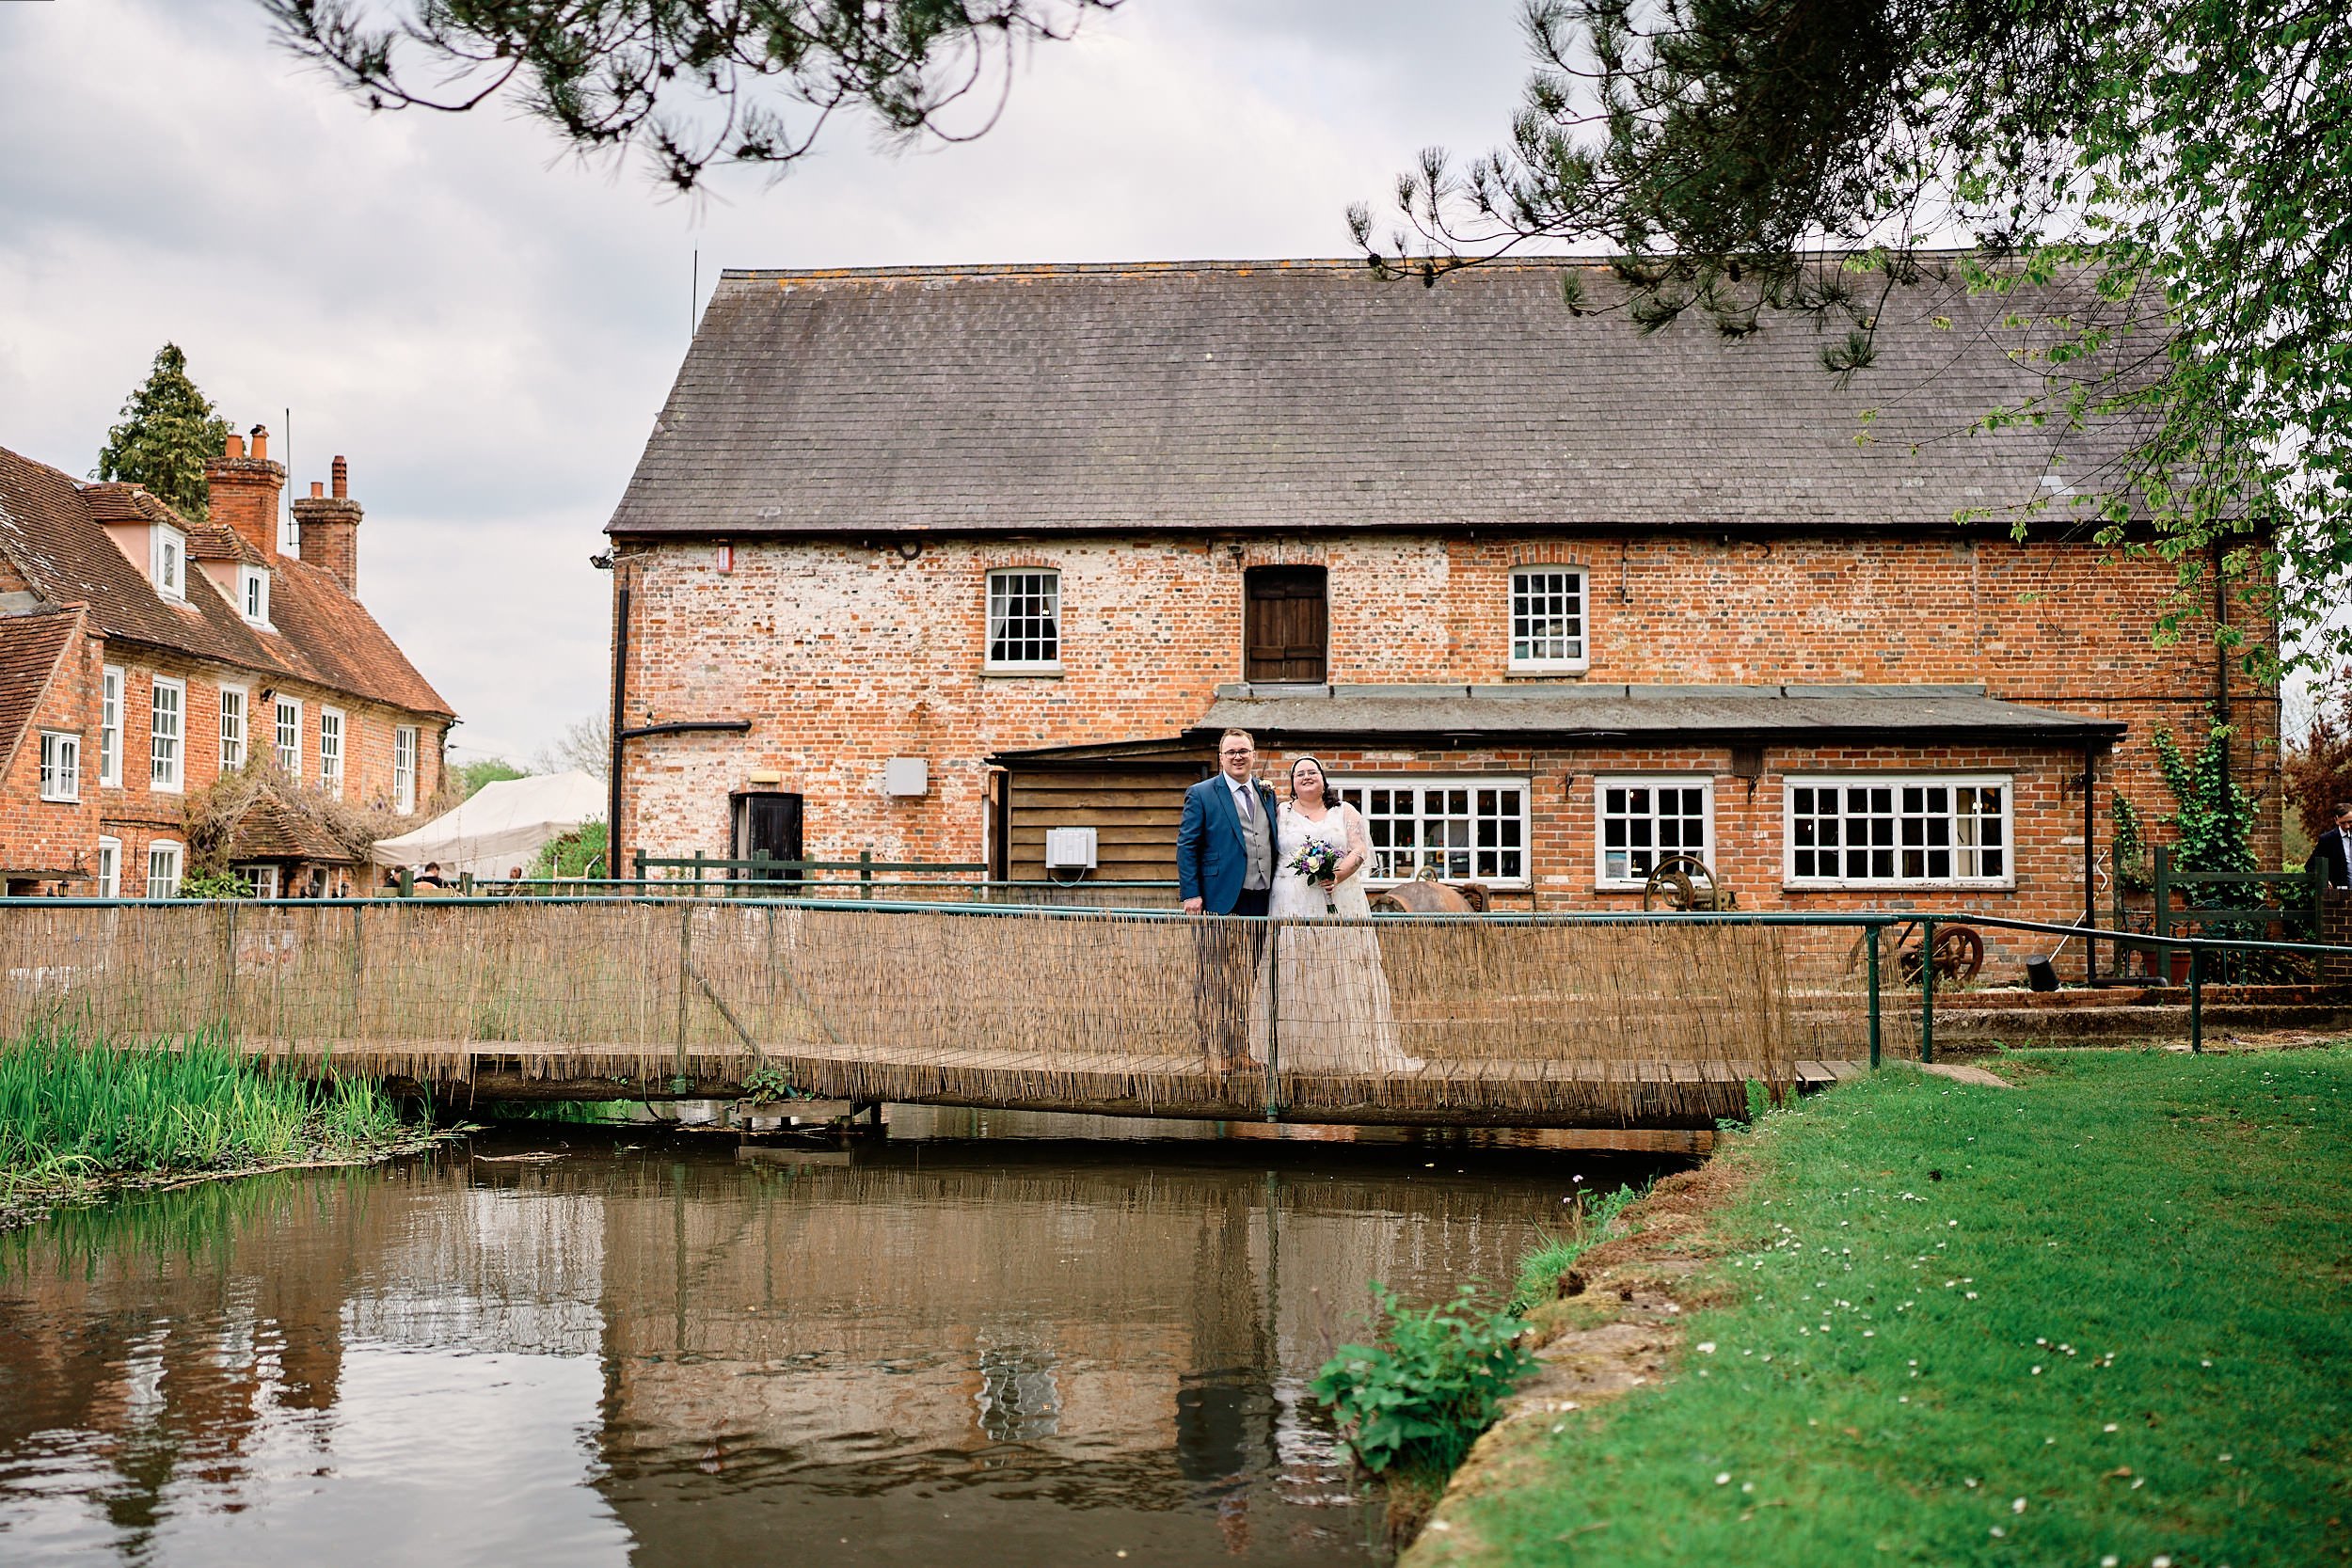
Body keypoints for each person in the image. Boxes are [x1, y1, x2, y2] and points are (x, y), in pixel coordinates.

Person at [1260, 756, 1417, 1073]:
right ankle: (1296, 1054)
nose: (1306, 777)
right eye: (1299, 773)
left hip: (1339, 899)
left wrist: (1337, 874)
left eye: (1312, 772)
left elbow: (1360, 850)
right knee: (1295, 970)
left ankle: (1346, 1049)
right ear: (1292, 782)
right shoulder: (1280, 813)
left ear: (1323, 779)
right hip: (1291, 901)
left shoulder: (1344, 811)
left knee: (1341, 969)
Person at [1177, 729, 1279, 1071]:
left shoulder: (1267, 794)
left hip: (1260, 897)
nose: (1238, 757)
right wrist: (1192, 893)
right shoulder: (1202, 794)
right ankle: (1214, 1054)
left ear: (1253, 754)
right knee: (1214, 977)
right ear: (1220, 758)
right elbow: (1187, 846)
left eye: (1244, 751)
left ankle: (1240, 1052)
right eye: (1231, 752)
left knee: (1249, 978)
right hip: (1218, 899)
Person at [2312, 802, 2352, 889]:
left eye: (2350, 822)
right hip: (2339, 896)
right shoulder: (2327, 840)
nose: (2347, 826)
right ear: (2336, 820)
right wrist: (2323, 879)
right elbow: (2311, 866)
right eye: (2343, 823)